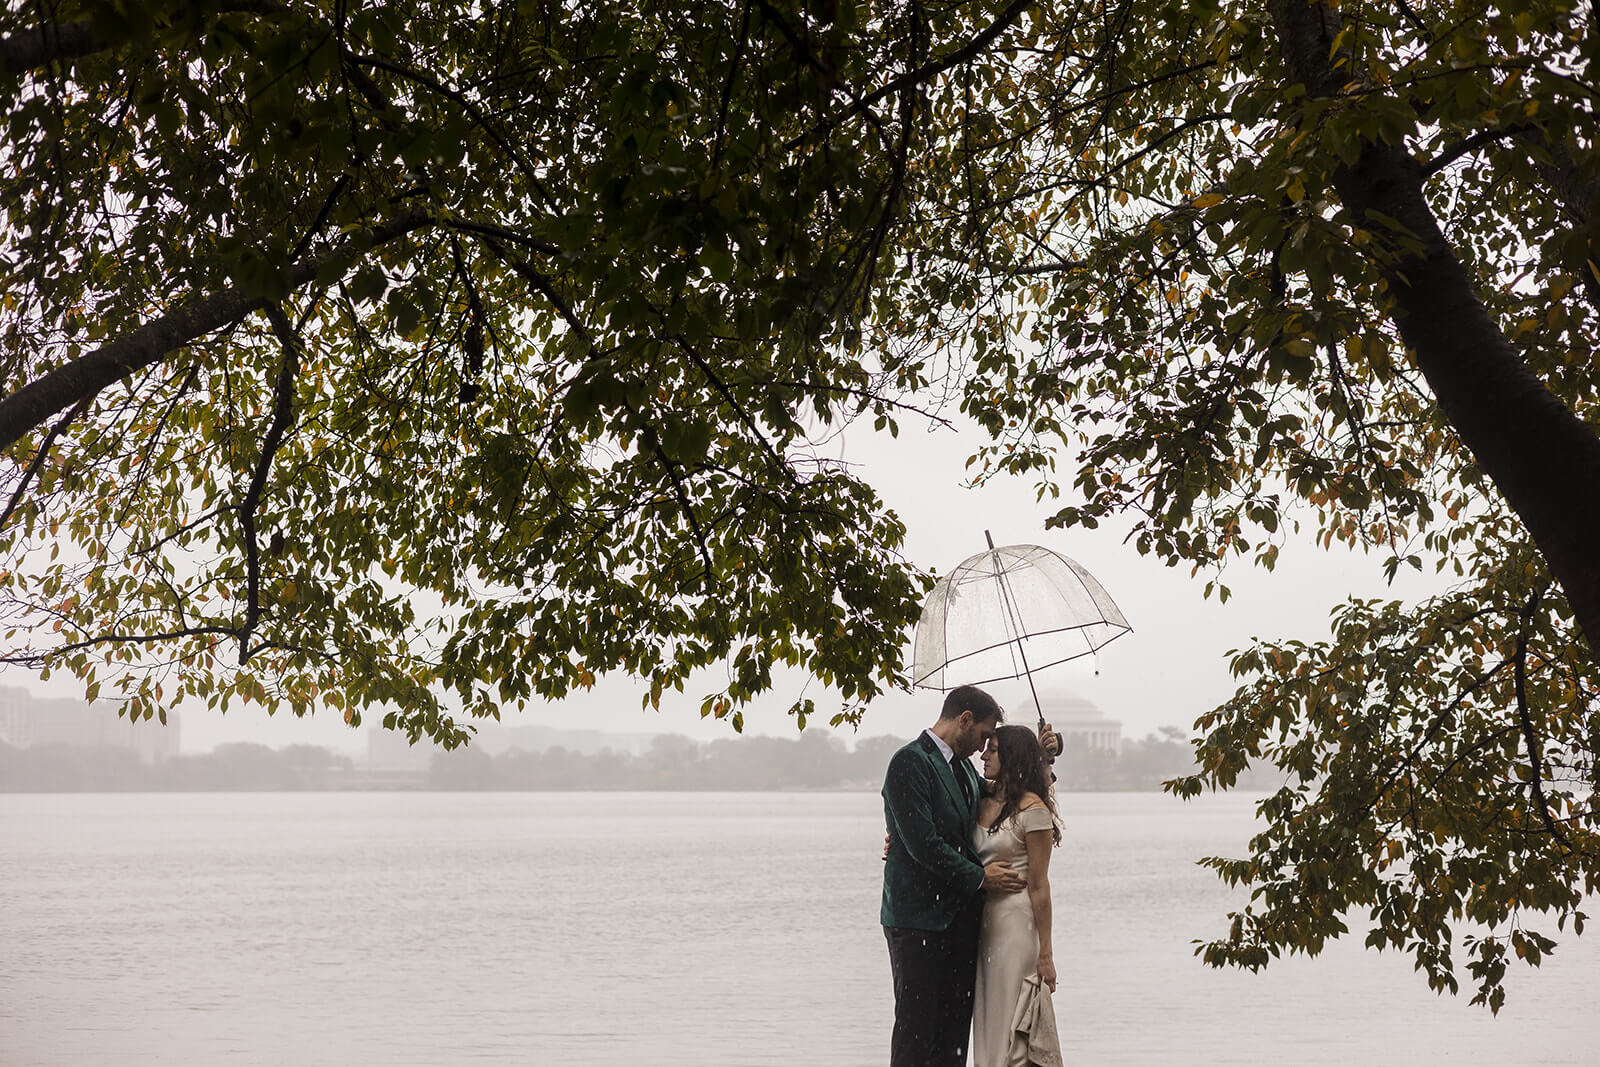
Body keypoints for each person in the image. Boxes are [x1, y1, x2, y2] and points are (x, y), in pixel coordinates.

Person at [880, 684, 1025, 1067]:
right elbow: (923, 844)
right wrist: (982, 878)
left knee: (953, 1035)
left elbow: (1005, 794)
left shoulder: (961, 769)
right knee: (916, 1032)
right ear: (964, 720)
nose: (982, 748)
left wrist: (1042, 756)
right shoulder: (909, 762)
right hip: (917, 922)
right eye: (982, 735)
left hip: (961, 920)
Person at [971, 724, 1063, 1067]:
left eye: (992, 749)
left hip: (1017, 927)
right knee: (990, 1018)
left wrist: (1046, 954)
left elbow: (1040, 885)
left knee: (1013, 1020)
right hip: (983, 924)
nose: (984, 755)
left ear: (1010, 756)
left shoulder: (1032, 809)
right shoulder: (982, 799)